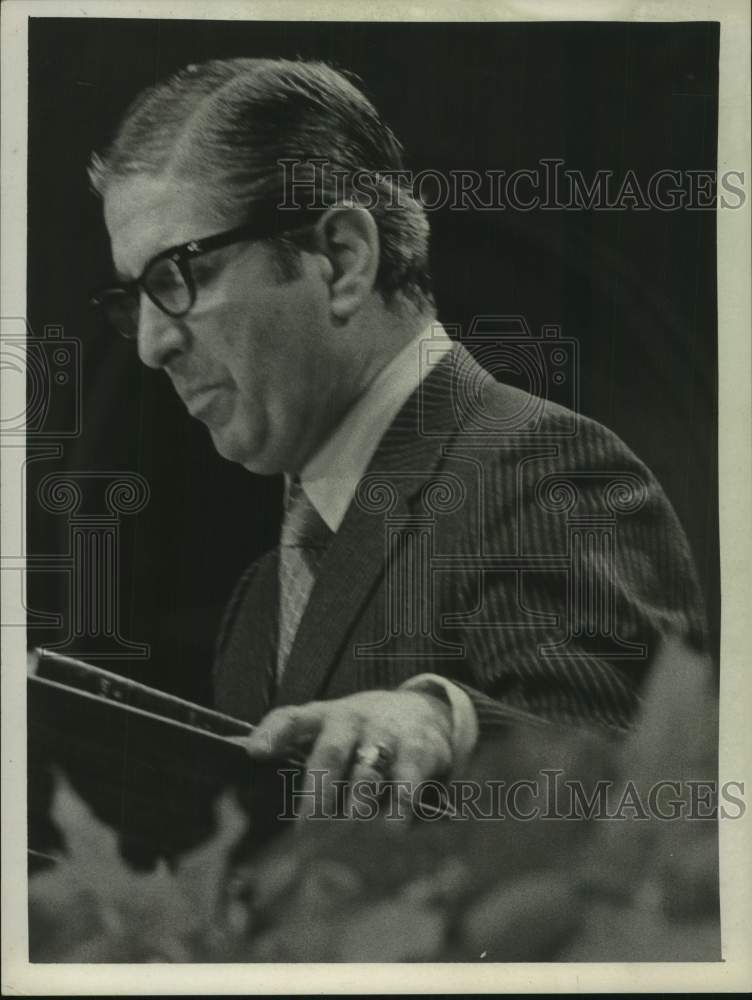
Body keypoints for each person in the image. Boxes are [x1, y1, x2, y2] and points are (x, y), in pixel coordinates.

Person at [90, 57, 707, 814]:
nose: (151, 344)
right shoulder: (257, 608)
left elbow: (650, 807)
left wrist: (444, 720)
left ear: (343, 261)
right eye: (136, 299)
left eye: (177, 276)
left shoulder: (547, 469)